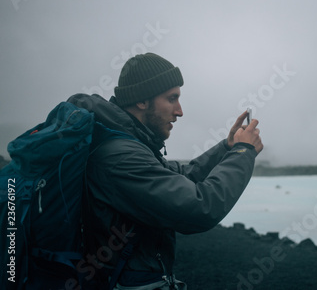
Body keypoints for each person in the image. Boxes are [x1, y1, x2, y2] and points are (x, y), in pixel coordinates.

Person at [67, 53, 263, 289]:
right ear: (142, 100)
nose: (179, 111)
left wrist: (226, 148)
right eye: (172, 99)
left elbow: (183, 175)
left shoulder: (132, 145)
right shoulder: (120, 157)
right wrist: (243, 152)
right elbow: (200, 208)